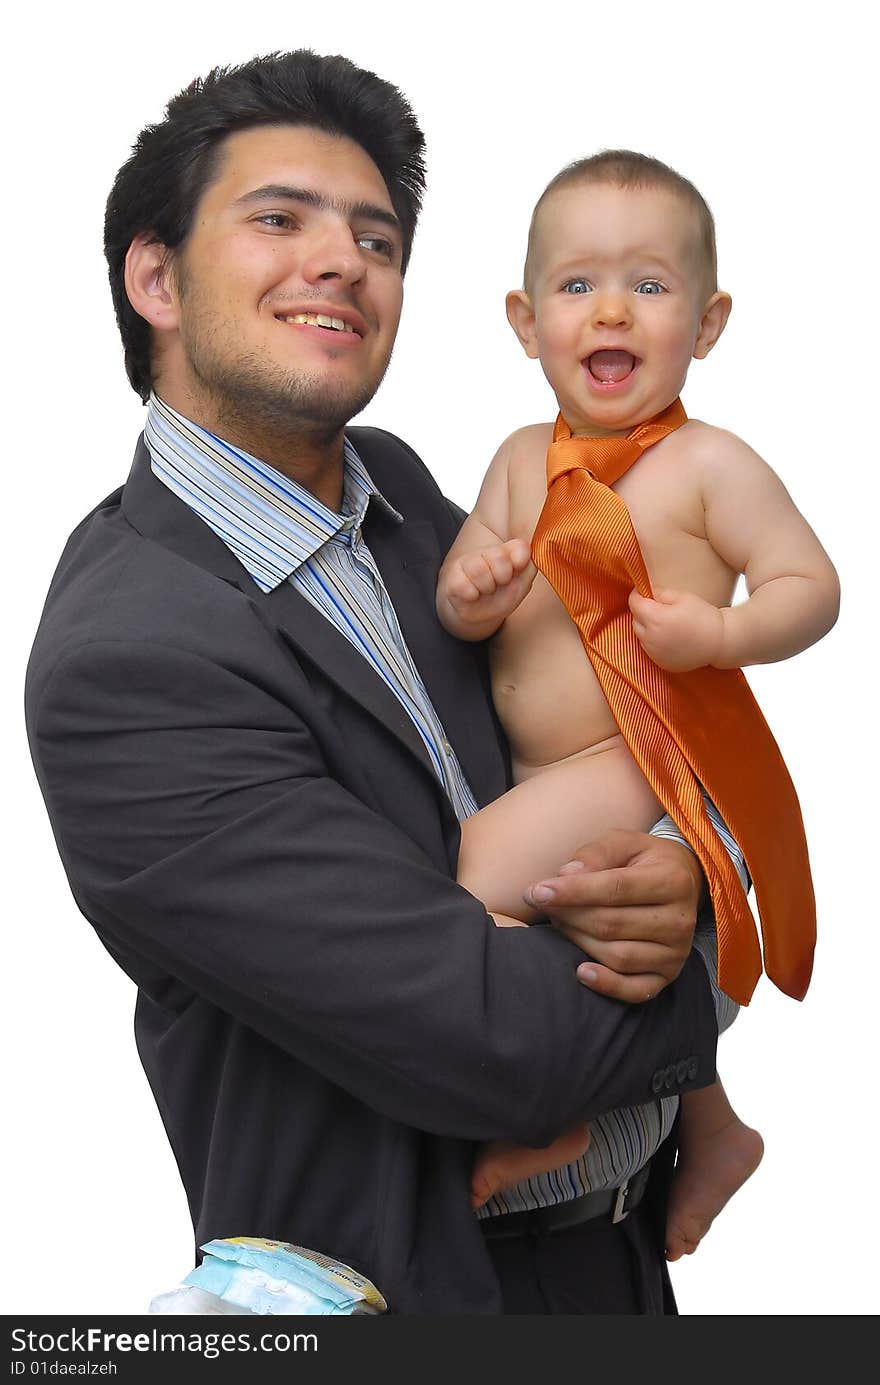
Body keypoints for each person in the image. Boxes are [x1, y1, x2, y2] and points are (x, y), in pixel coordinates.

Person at [25, 54, 743, 1316]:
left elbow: (599, 716)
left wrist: (683, 856)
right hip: (415, 1293)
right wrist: (712, 929)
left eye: (377, 235)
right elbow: (496, 1044)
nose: (343, 260)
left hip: (621, 1262)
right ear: (155, 279)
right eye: (277, 219)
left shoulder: (405, 495)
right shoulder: (129, 661)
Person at [435, 150, 839, 1259]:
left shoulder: (713, 466)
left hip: (642, 751)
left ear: (705, 325)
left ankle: (549, 1110)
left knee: (472, 874)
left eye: (649, 287)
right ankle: (711, 1124)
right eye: (575, 285)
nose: (609, 307)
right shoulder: (522, 460)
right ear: (525, 320)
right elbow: (464, 593)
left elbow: (814, 589)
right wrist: (472, 593)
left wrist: (720, 633)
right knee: (594, 941)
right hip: (543, 769)